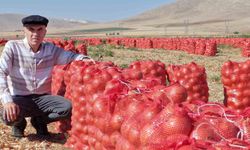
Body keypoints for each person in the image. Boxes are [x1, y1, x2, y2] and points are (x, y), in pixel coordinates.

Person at [0, 15, 90, 138]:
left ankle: (39, 121)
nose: (35, 34)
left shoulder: (51, 49)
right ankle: (19, 123)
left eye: (39, 30)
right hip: (20, 97)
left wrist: (88, 61)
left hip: (43, 99)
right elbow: (1, 72)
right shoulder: (13, 47)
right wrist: (7, 102)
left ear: (45, 31)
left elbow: (71, 57)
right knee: (6, 114)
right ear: (24, 31)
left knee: (67, 108)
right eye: (31, 29)